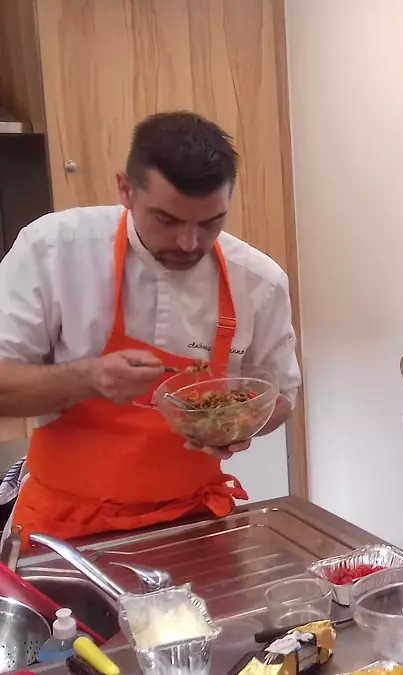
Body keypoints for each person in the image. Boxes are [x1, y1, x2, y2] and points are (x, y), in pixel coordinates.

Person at [0, 111, 301, 541]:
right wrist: (87, 378)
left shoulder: (259, 282)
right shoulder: (52, 250)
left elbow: (282, 397)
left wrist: (241, 425)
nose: (189, 243)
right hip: (63, 526)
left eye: (210, 222)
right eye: (168, 220)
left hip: (195, 523)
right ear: (126, 189)